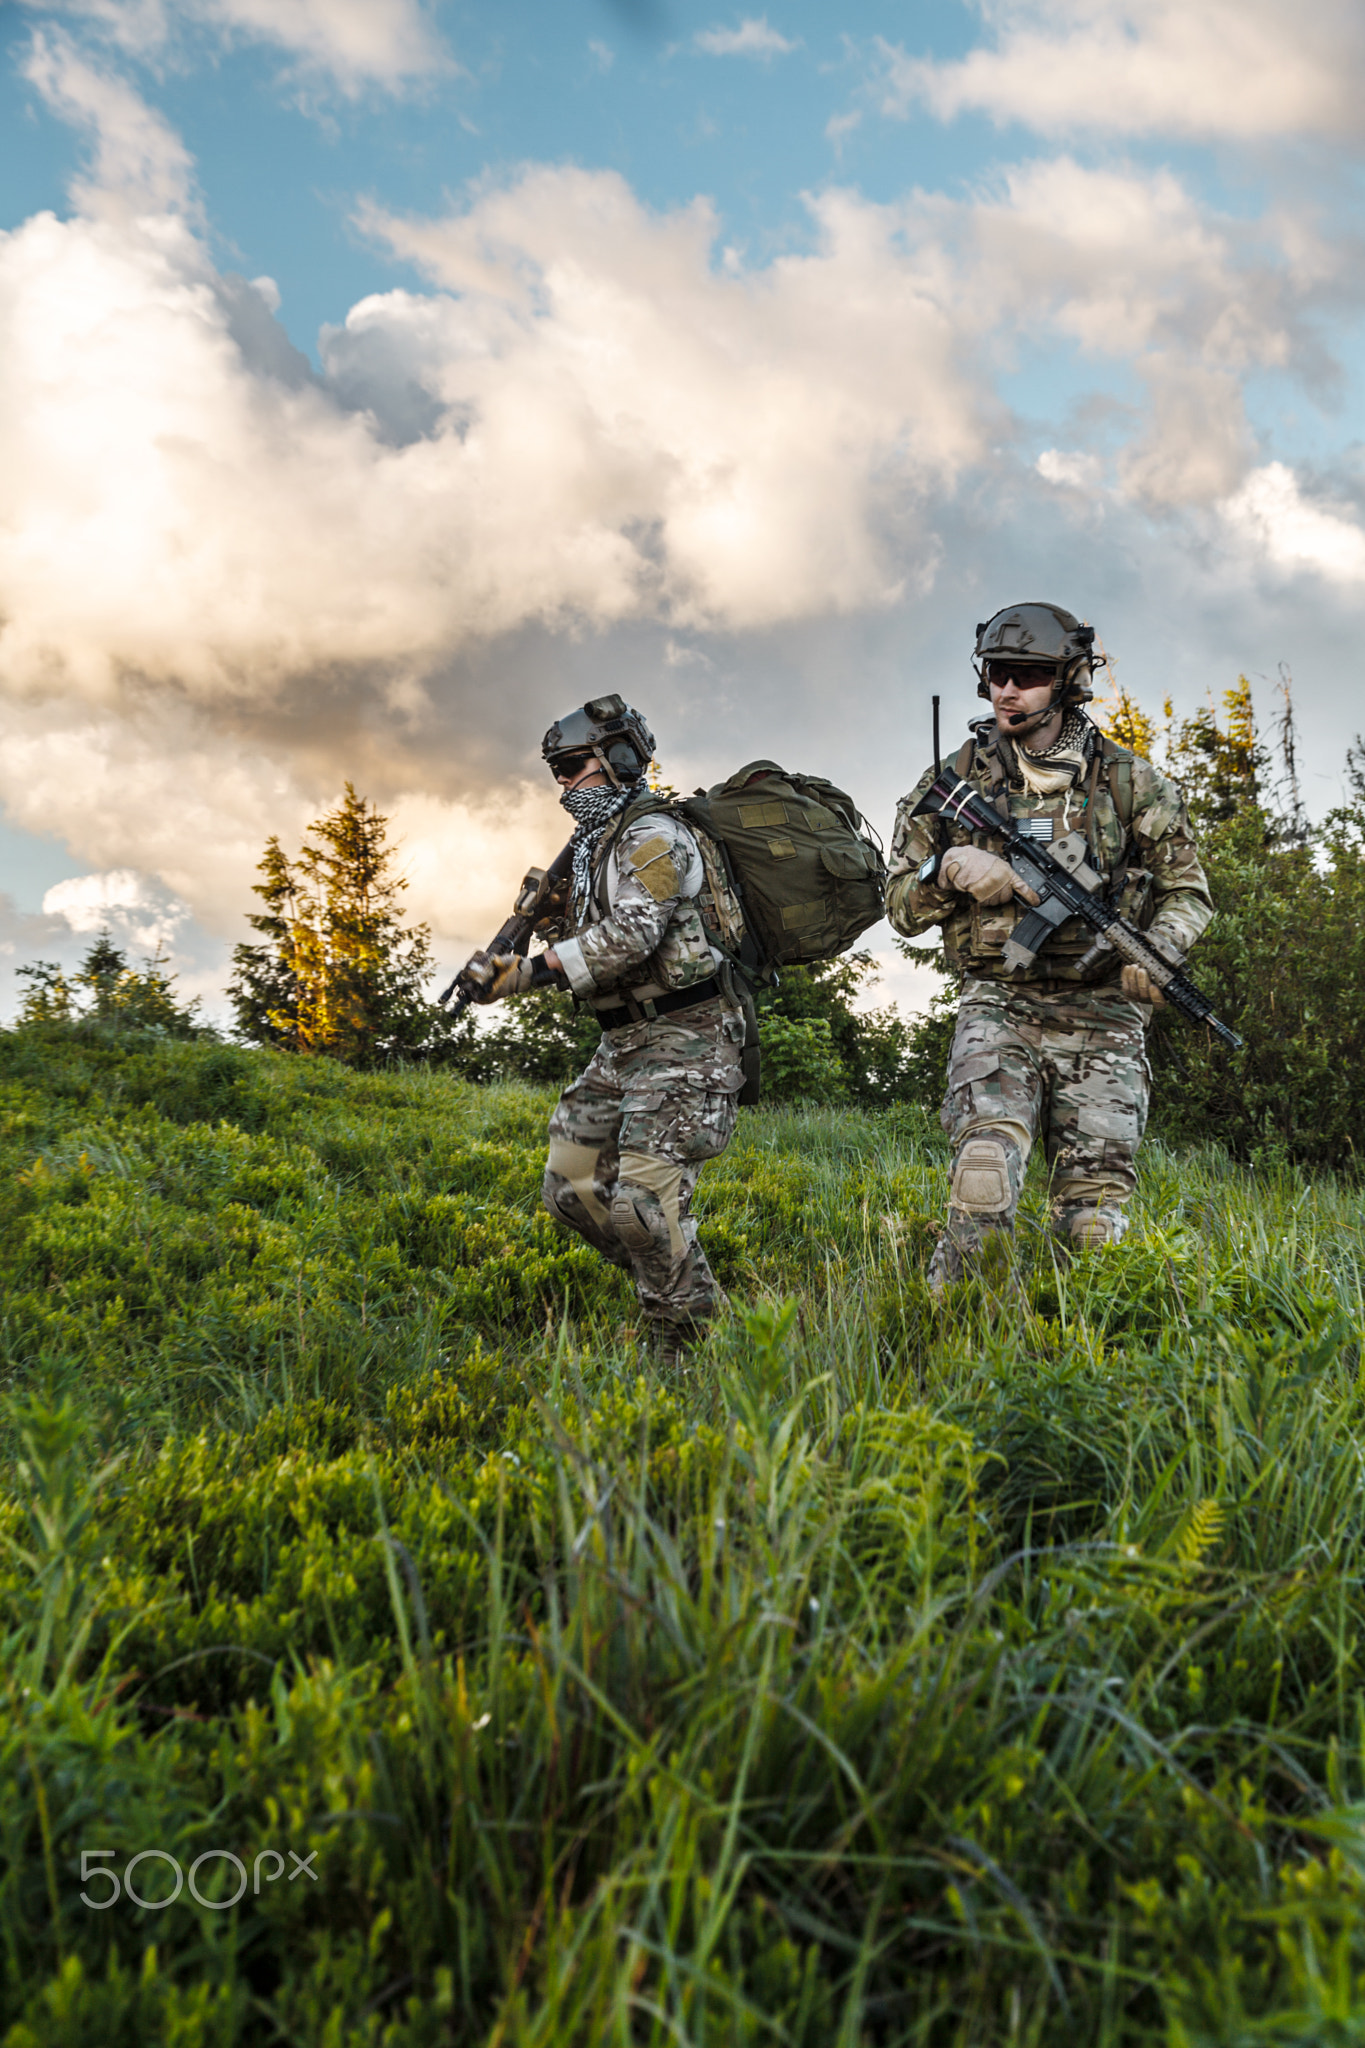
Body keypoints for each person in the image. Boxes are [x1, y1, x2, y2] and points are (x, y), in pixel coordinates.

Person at [885, 603, 1214, 1293]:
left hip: (1104, 1014)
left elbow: (1189, 894)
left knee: (1091, 1225)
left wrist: (1159, 950)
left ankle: (1082, 1359)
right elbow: (897, 907)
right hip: (998, 1003)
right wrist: (947, 873)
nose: (1008, 690)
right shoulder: (951, 784)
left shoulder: (1129, 783)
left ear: (1066, 681)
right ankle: (955, 1333)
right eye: (998, 673)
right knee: (982, 1177)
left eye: (1028, 675)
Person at [462, 694, 746, 1359]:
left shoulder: (654, 836)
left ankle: (684, 1342)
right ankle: (678, 1288)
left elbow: (634, 936)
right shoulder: (593, 851)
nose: (561, 784)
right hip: (621, 1043)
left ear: (618, 759)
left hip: (687, 1037)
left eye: (569, 766)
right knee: (569, 1191)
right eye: (554, 771)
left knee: (642, 1206)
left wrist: (527, 974)